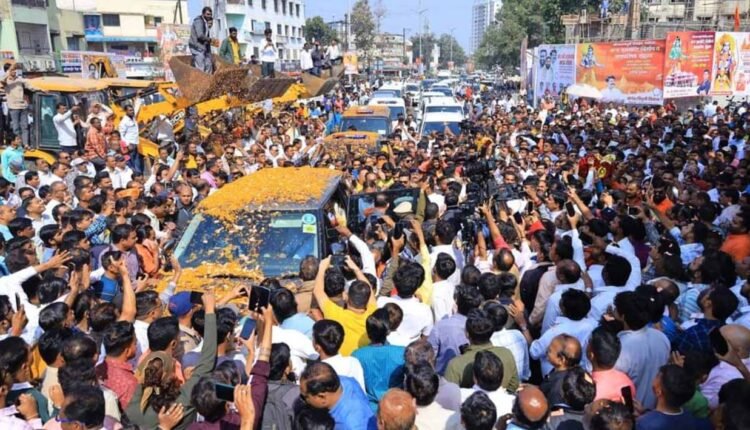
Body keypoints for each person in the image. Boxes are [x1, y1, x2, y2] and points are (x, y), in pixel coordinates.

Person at [444, 309, 519, 391]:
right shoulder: (507, 354)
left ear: (467, 334)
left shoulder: (455, 365)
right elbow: (513, 386)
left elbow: (449, 397)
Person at [299, 361, 374, 429]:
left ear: (322, 397)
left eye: (304, 397)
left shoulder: (347, 425)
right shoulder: (346, 381)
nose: (303, 400)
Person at [635, 365, 712, 430]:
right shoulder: (688, 416)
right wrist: (647, 412)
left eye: (657, 376)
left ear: (658, 391)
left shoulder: (646, 425)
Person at [0, 64, 31, 148]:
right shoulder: (6, 81)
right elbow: (1, 81)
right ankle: (19, 144)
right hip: (13, 108)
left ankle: (26, 144)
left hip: (23, 106)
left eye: (15, 70)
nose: (14, 71)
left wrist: (41, 89)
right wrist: (8, 72)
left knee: (25, 126)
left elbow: (29, 84)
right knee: (16, 128)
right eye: (12, 70)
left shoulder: (19, 79)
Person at [189, 7, 214, 73]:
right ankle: (201, 82)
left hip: (203, 48)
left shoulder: (205, 23)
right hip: (196, 47)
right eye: (207, 14)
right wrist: (210, 40)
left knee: (209, 64)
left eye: (210, 14)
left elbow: (206, 40)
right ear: (203, 14)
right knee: (201, 67)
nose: (209, 16)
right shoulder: (198, 21)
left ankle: (208, 82)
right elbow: (200, 35)